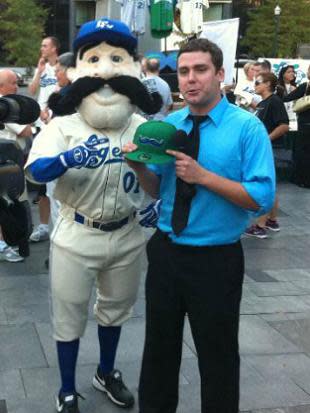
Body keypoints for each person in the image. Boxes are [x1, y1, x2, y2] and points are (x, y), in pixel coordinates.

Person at [123, 38, 275, 413]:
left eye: (201, 70)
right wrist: (141, 168)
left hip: (216, 260)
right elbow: (160, 188)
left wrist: (204, 176)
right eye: (185, 71)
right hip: (166, 252)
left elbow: (262, 197)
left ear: (220, 75)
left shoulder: (246, 129)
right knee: (158, 352)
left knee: (218, 357)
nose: (190, 80)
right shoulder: (170, 125)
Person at [25, 17, 162, 413]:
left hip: (127, 233)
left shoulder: (143, 125)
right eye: (95, 58)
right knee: (68, 313)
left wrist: (159, 203)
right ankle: (67, 388)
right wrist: (67, 159)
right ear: (77, 69)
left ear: (133, 66)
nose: (106, 71)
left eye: (116, 59)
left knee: (116, 309)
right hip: (77, 230)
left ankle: (105, 371)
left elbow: (159, 180)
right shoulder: (65, 125)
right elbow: (35, 171)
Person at [245, 72, 289, 238]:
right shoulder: (264, 103)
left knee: (264, 184)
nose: (255, 84)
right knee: (271, 184)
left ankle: (260, 226)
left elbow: (284, 125)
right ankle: (271, 220)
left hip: (270, 148)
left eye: (258, 82)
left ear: (268, 84)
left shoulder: (275, 101)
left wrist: (266, 139)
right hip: (265, 147)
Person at [28, 36, 60, 243]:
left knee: (57, 177)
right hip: (41, 127)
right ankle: (42, 226)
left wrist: (51, 110)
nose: (41, 48)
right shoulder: (42, 68)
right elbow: (32, 91)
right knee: (41, 181)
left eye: (44, 45)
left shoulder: (63, 67)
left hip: (57, 124)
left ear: (54, 48)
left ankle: (60, 224)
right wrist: (39, 71)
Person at [0, 69, 33, 263]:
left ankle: (10, 241)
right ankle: (4, 244)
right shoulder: (6, 106)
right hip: (6, 163)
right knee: (6, 203)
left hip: (11, 161)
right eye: (13, 83)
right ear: (2, 86)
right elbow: (26, 131)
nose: (17, 87)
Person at [283, 64, 310, 187]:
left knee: (302, 151)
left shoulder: (305, 86)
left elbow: (287, 98)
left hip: (305, 123)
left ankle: (302, 179)